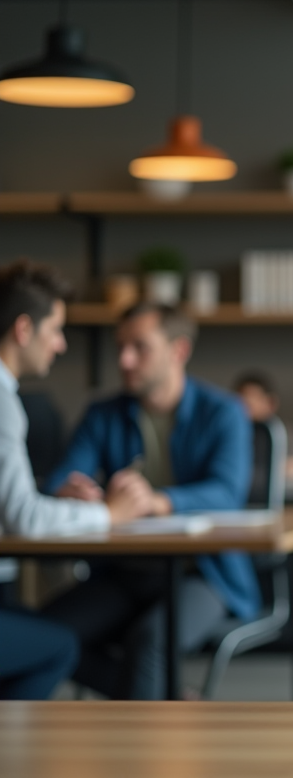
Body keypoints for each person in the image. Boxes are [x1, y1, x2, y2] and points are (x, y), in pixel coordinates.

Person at [42, 302, 255, 700]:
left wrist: (159, 501)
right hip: (122, 570)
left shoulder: (224, 412)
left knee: (150, 643)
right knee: (45, 637)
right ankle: (165, 701)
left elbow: (228, 493)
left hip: (203, 573)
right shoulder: (102, 414)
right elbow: (62, 477)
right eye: (120, 347)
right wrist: (71, 489)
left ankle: (142, 749)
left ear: (179, 351)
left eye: (140, 347)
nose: (124, 359)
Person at [0, 260, 154, 700]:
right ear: (24, 329)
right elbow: (24, 520)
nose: (62, 344)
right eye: (55, 330)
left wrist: (55, 498)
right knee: (58, 646)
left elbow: (14, 504)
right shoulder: (3, 402)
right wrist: (109, 514)